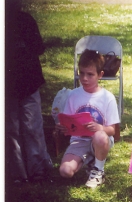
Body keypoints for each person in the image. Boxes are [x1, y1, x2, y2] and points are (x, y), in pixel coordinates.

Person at [5, 0, 53, 183]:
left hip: (29, 82)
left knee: (32, 127)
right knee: (11, 130)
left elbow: (39, 48)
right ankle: (17, 173)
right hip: (8, 86)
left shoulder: (26, 20)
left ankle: (37, 169)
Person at [57, 49, 120, 188]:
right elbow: (69, 124)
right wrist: (63, 127)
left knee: (99, 136)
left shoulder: (107, 97)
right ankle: (88, 160)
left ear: (100, 75)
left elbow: (112, 130)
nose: (85, 78)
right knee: (65, 171)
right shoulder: (73, 95)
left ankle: (98, 170)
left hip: (100, 140)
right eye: (82, 73)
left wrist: (100, 128)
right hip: (79, 140)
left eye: (90, 74)